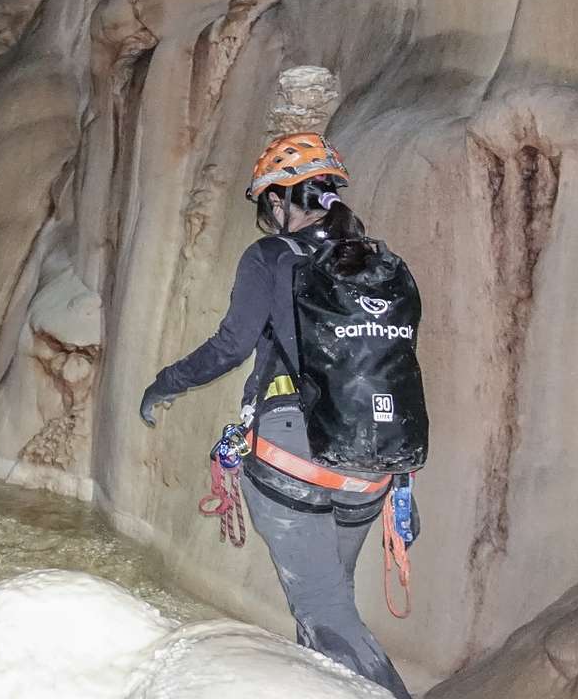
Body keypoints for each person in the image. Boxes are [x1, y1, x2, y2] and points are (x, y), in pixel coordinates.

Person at [138, 132, 421, 699]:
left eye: (268, 202)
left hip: (292, 452)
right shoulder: (379, 265)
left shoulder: (271, 257)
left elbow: (230, 345)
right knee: (331, 603)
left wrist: (163, 385)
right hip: (373, 466)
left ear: (279, 200)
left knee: (324, 615)